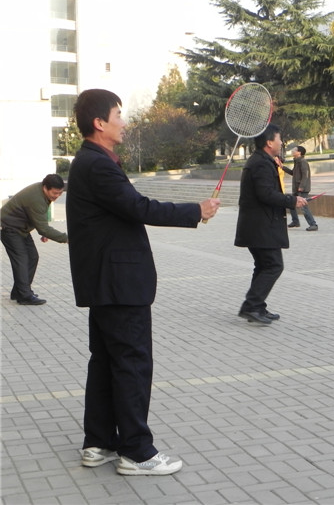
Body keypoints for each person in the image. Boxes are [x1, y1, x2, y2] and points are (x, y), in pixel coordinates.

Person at [66, 89, 220, 476]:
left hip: (106, 283)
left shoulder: (90, 161)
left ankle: (99, 442)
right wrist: (196, 211)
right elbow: (138, 207)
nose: (124, 122)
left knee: (106, 363)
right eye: (118, 114)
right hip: (119, 284)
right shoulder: (97, 165)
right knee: (132, 365)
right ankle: (136, 452)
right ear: (99, 123)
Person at [235, 124, 307, 325]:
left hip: (258, 225)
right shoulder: (260, 163)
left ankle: (257, 306)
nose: (281, 143)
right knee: (274, 265)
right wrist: (291, 200)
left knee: (263, 265)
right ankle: (251, 306)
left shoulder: (262, 161)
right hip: (261, 226)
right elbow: (266, 194)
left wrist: (291, 199)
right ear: (269, 142)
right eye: (279, 139)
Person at [1, 174, 68, 305]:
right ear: (45, 188)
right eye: (55, 193)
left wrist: (45, 231)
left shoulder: (42, 193)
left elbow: (40, 221)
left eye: (60, 193)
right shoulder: (36, 198)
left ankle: (19, 292)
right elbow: (43, 227)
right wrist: (66, 239)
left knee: (32, 257)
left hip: (21, 229)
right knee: (22, 260)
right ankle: (24, 296)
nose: (57, 196)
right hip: (9, 228)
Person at [280, 145, 318, 231]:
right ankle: (295, 222)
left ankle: (313, 224)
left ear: (299, 152)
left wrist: (301, 186)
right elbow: (293, 173)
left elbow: (305, 175)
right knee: (291, 204)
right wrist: (282, 167)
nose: (292, 151)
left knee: (304, 207)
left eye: (295, 150)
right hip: (296, 188)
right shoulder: (297, 161)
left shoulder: (303, 162)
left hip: (302, 189)